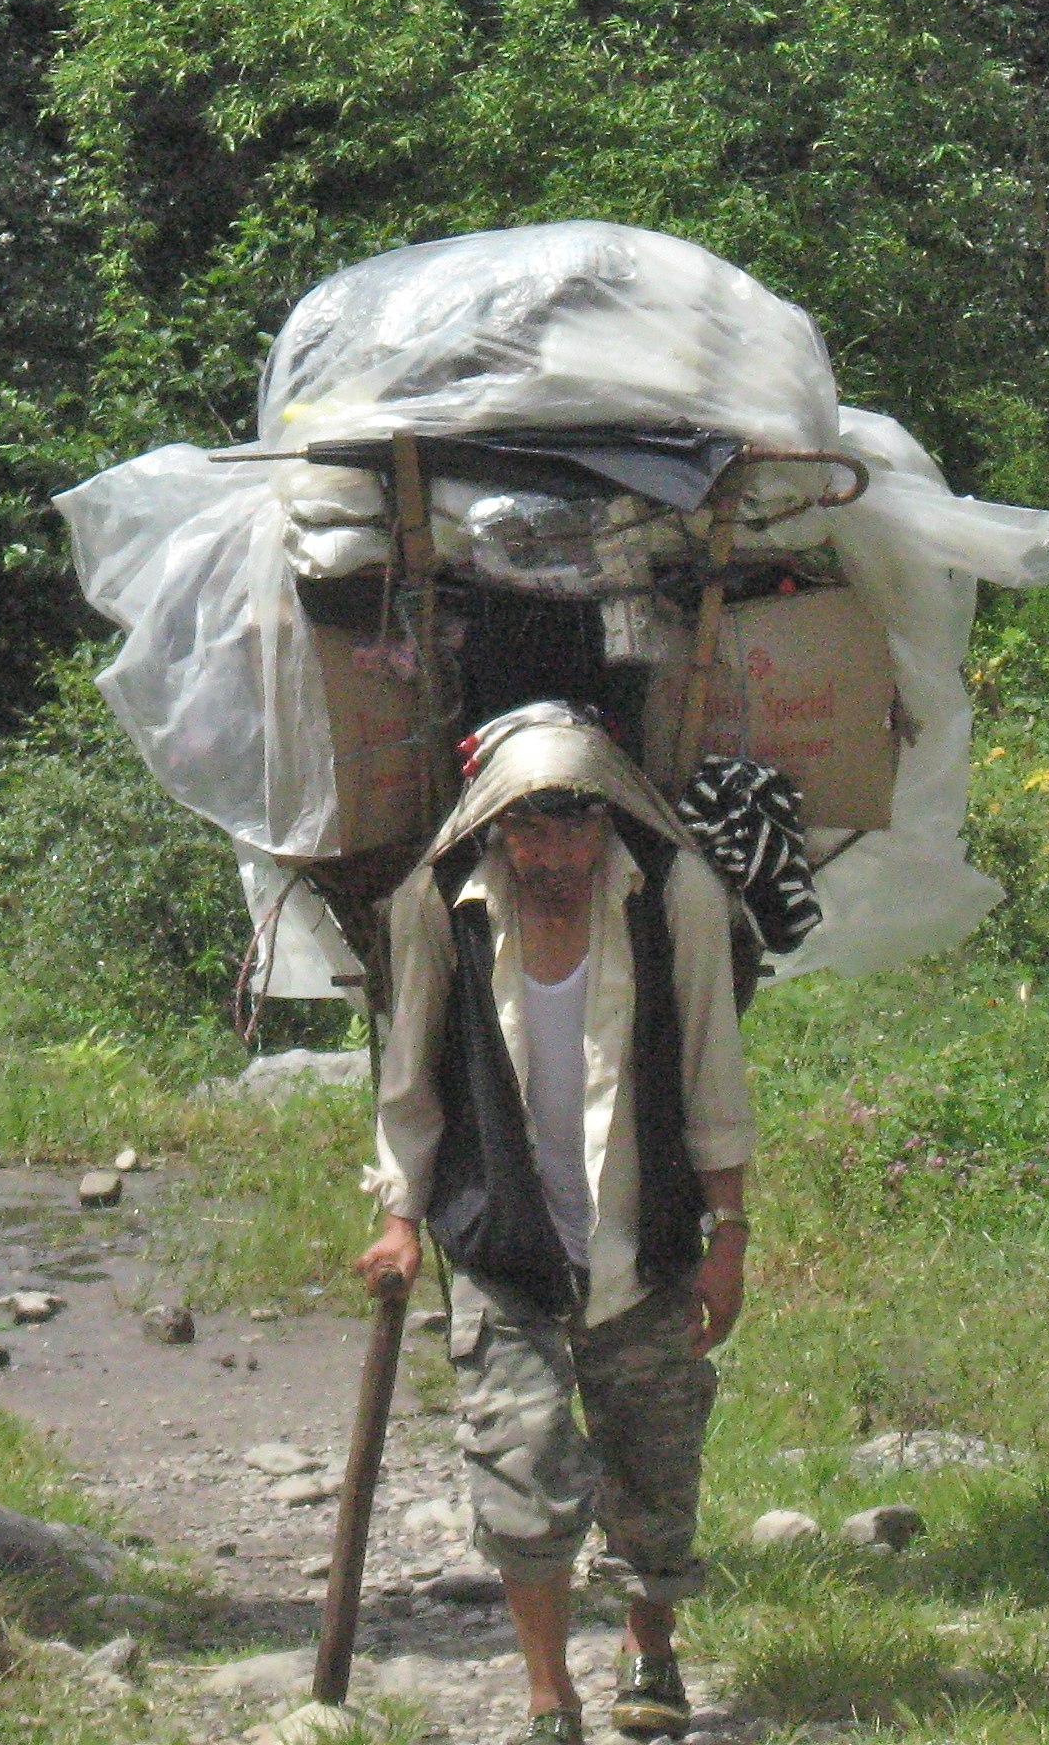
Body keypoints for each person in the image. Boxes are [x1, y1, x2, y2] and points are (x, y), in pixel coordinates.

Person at [356, 702, 754, 1745]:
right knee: (519, 1468)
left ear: (607, 820)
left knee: (656, 1467)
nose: (557, 856)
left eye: (576, 828)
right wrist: (401, 1218)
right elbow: (411, 1077)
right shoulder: (441, 904)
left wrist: (729, 1237)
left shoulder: (674, 894)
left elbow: (712, 1067)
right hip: (504, 1236)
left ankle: (649, 1651)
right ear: (497, 827)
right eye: (531, 830)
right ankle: (548, 1695)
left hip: (645, 1238)